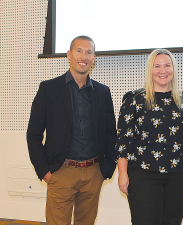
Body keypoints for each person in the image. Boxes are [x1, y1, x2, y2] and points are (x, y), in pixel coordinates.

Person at [26, 36, 117, 225]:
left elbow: (110, 133)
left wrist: (106, 168)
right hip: (61, 172)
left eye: (89, 52)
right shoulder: (48, 89)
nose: (83, 56)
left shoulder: (103, 92)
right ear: (69, 54)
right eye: (79, 50)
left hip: (94, 173)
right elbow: (33, 134)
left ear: (94, 58)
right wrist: (44, 171)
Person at [116, 49, 183, 225]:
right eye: (157, 66)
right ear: (150, 70)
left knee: (172, 222)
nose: (163, 71)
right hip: (143, 175)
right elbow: (124, 141)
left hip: (180, 174)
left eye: (167, 66)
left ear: (173, 69)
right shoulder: (134, 99)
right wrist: (122, 173)